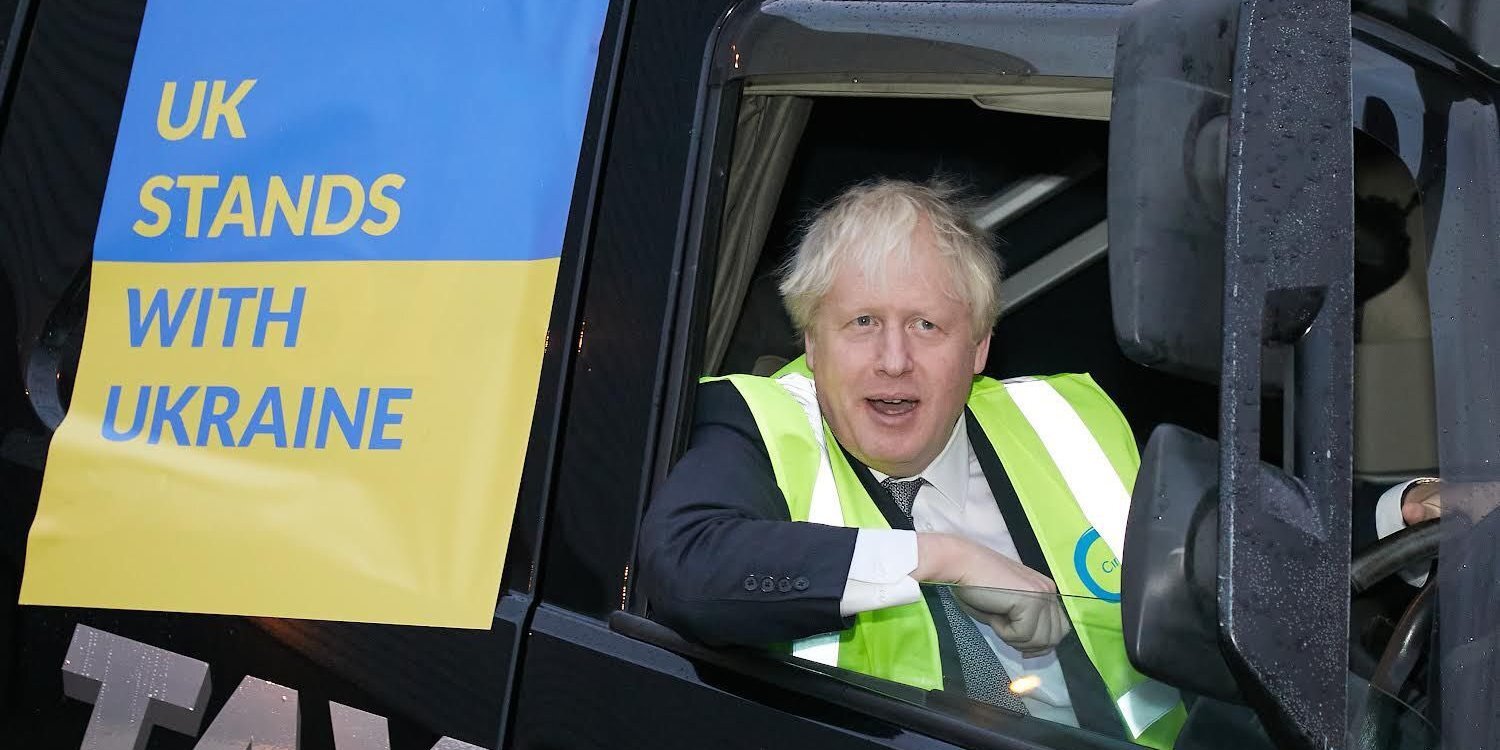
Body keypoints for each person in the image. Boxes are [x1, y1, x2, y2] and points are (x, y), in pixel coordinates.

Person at [638, 178, 1439, 748]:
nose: (893, 360)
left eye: (926, 325)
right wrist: (943, 559)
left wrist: (1399, 512)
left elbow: (1218, 541)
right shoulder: (758, 423)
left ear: (979, 346)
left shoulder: (1063, 420)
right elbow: (685, 567)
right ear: (812, 342)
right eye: (861, 323)